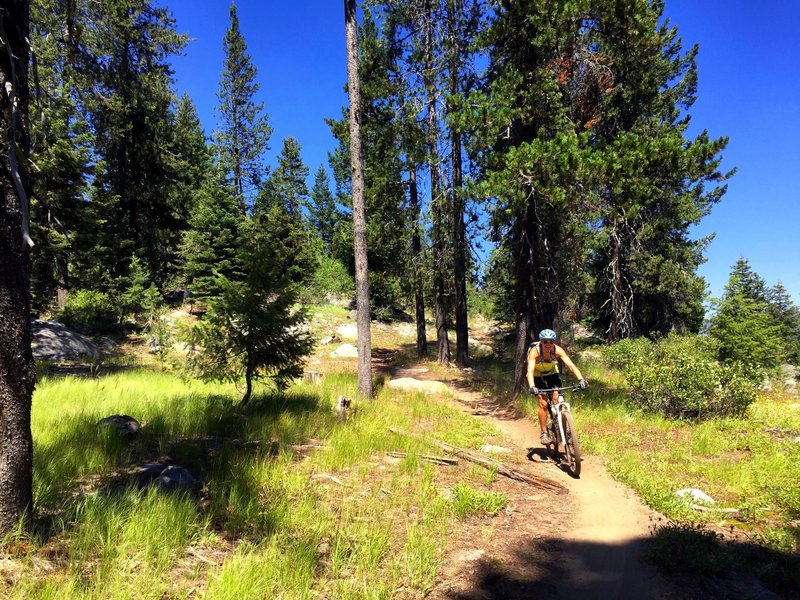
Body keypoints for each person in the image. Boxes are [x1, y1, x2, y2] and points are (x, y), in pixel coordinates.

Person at [526, 328, 587, 445]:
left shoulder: (557, 350)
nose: (548, 344)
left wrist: (581, 379)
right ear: (541, 341)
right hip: (537, 376)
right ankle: (544, 433)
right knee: (543, 403)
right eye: (545, 341)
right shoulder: (535, 352)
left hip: (552, 374)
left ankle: (563, 428)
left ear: (554, 342)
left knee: (556, 398)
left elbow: (570, 365)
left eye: (551, 341)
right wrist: (532, 386)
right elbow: (530, 370)